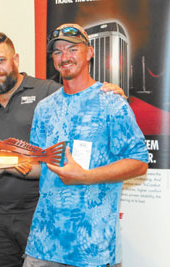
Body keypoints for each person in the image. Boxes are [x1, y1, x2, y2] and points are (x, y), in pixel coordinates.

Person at [0, 32, 127, 267]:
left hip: (39, 214)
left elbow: (80, 97)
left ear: (16, 59)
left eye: (1, 60)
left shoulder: (47, 92)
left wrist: (112, 94)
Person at [23, 23, 148, 267]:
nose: (64, 57)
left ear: (89, 52)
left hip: (93, 250)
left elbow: (139, 162)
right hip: (43, 245)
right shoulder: (44, 109)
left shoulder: (111, 102)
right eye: (57, 52)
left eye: (72, 49)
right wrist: (4, 166)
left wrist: (85, 176)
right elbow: (41, 166)